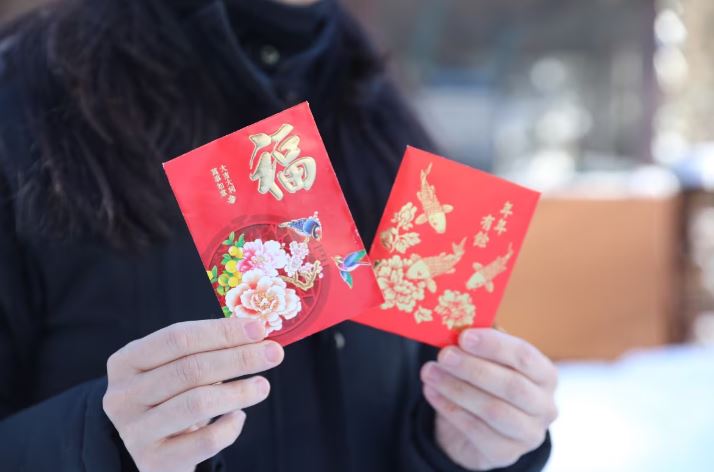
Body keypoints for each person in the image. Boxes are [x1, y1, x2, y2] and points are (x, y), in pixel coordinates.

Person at [0, 0, 558, 470]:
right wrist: (97, 443)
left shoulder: (384, 116)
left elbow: (414, 402)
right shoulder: (33, 102)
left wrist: (461, 447)